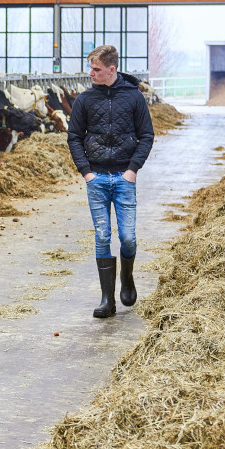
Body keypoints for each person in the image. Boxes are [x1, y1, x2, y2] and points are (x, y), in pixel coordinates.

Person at [66, 45, 154, 318]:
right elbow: (74, 137)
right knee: (102, 235)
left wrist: (132, 170)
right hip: (97, 177)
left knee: (127, 237)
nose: (90, 73)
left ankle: (127, 278)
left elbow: (147, 135)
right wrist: (86, 172)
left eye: (96, 69)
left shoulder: (133, 98)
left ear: (112, 69)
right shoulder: (85, 100)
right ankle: (107, 299)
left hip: (124, 177)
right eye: (90, 68)